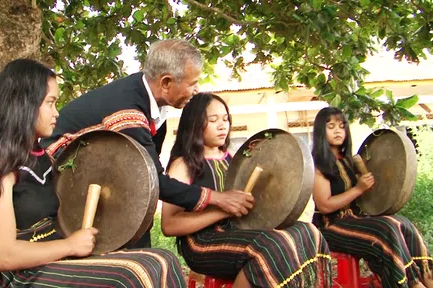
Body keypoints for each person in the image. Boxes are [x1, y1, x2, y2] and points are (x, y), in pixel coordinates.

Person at [0, 59, 186, 287]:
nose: (57, 112)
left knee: (161, 260)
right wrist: (70, 247)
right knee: (132, 276)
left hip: (48, 261)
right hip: (14, 276)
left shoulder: (42, 158)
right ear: (23, 105)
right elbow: (2, 256)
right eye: (50, 103)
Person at [40, 39, 254, 248]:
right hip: (60, 181)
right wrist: (218, 199)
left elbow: (147, 174)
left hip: (103, 174)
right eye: (192, 84)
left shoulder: (153, 105)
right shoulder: (129, 113)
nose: (196, 91)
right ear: (166, 83)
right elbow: (153, 180)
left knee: (140, 232)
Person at [161, 93, 332, 288]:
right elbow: (170, 225)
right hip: (201, 242)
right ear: (194, 124)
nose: (222, 125)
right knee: (270, 245)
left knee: (306, 231)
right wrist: (222, 209)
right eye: (213, 120)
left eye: (226, 119)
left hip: (238, 231)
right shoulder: (184, 164)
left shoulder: (233, 159)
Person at [312, 107, 433, 288]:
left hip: (356, 219)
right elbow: (325, 206)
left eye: (342, 126)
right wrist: (359, 189)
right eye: (331, 126)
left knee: (403, 223)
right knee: (386, 228)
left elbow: (367, 198)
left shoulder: (350, 160)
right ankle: (411, 283)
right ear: (322, 131)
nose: (338, 130)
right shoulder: (318, 165)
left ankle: (427, 276)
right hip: (331, 226)